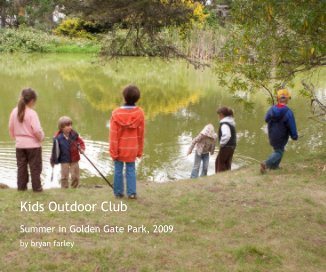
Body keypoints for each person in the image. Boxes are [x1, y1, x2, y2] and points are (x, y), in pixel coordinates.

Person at [109, 85, 145, 199]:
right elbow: (141, 134)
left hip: (119, 148)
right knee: (131, 170)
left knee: (118, 171)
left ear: (124, 97)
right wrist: (139, 150)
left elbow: (113, 135)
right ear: (137, 99)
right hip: (132, 148)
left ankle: (118, 193)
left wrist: (113, 152)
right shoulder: (140, 113)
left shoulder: (116, 114)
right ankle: (132, 193)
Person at [9, 88, 44, 192]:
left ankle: (21, 188)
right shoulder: (32, 113)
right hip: (33, 146)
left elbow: (11, 127)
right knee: (35, 168)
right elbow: (37, 130)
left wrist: (16, 138)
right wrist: (41, 137)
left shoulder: (14, 111)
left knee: (21, 167)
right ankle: (37, 188)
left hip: (19, 145)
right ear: (32, 100)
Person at [261, 89, 298, 173]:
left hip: (272, 134)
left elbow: (266, 119)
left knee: (278, 149)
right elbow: (292, 125)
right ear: (287, 99)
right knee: (279, 152)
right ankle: (266, 163)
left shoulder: (271, 109)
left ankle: (275, 166)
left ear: (277, 99)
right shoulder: (288, 112)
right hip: (282, 136)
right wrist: (294, 136)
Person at [50, 116, 85, 188]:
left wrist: (82, 149)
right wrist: (52, 160)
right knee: (64, 176)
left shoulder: (74, 135)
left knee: (75, 176)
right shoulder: (58, 138)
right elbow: (54, 151)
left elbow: (81, 142)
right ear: (62, 127)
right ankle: (64, 189)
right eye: (68, 125)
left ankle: (74, 188)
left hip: (74, 159)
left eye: (71, 125)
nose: (70, 127)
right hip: (64, 160)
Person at [215, 107, 237, 173]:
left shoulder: (224, 124)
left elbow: (227, 135)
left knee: (220, 162)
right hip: (232, 146)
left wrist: (222, 143)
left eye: (218, 115)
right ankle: (227, 176)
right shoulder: (231, 122)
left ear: (222, 114)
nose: (218, 116)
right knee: (227, 162)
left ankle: (219, 179)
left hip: (226, 146)